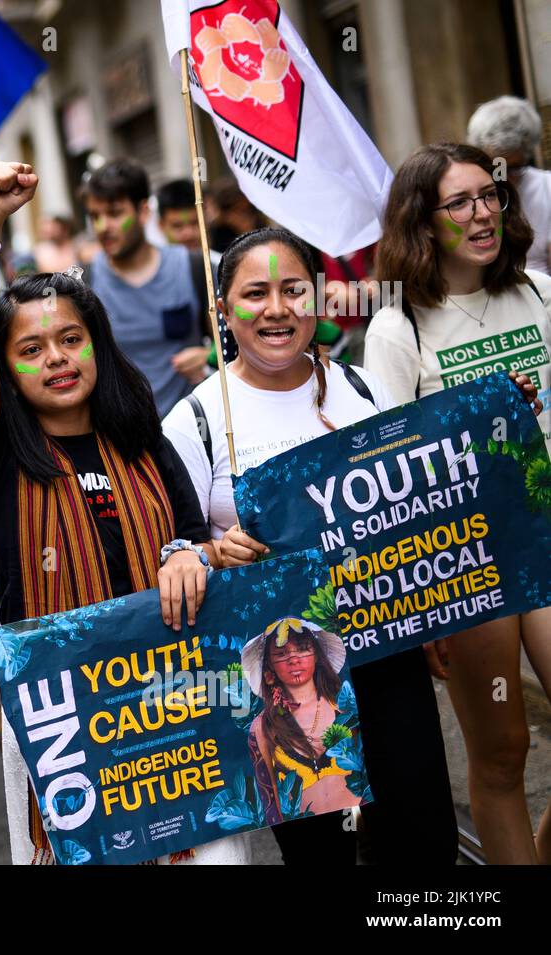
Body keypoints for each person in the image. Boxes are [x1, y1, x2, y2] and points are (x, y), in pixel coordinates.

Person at [0, 161, 243, 865]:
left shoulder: (146, 438)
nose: (55, 357)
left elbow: (194, 540)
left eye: (70, 339)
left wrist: (195, 555)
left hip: (178, 708)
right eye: (29, 348)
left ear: (97, 345)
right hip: (62, 728)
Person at [163, 225, 459, 865]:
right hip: (288, 684)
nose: (277, 309)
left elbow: (410, 511)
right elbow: (172, 550)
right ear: (223, 309)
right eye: (255, 294)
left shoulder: (361, 391)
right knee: (323, 858)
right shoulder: (195, 421)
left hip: (386, 655)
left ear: (319, 299)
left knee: (424, 841)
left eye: (294, 289)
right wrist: (209, 554)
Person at [365, 142, 551, 864]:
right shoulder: (395, 327)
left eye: (491, 196)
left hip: (543, 522)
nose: (483, 213)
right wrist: (424, 608)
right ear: (420, 219)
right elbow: (391, 470)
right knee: (503, 751)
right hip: (466, 558)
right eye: (460, 202)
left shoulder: (537, 292)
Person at [81, 158, 209, 416]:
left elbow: (237, 342)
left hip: (194, 437)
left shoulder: (196, 267)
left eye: (115, 214)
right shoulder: (82, 283)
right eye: (95, 216)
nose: (103, 227)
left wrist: (210, 356)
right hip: (124, 442)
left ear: (143, 212)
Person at [243, 618, 360, 822]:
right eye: (281, 653)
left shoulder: (345, 705)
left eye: (303, 648)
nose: (293, 659)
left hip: (360, 821)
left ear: (317, 654)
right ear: (269, 664)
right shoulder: (261, 728)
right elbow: (271, 806)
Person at [468, 95, 551, 273]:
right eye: (496, 167)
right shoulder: (470, 193)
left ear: (527, 154)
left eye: (513, 167)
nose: (504, 176)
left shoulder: (546, 187)